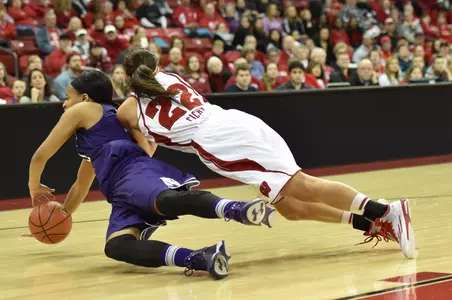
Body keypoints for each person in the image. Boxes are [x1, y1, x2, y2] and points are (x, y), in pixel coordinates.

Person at [118, 49, 417, 259]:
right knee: (291, 206)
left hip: (219, 141)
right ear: (156, 67)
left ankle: (385, 211)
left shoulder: (128, 110)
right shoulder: (170, 78)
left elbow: (141, 137)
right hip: (233, 122)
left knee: (302, 185)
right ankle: (373, 223)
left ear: (128, 78)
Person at [28, 70, 275, 280]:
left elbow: (40, 154)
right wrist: (60, 216)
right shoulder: (97, 145)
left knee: (166, 200)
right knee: (116, 246)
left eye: (67, 97)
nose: (64, 103)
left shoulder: (83, 110)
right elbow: (81, 186)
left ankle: (237, 209)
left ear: (83, 97)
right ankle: (199, 257)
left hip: (133, 171)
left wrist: (34, 187)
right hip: (119, 192)